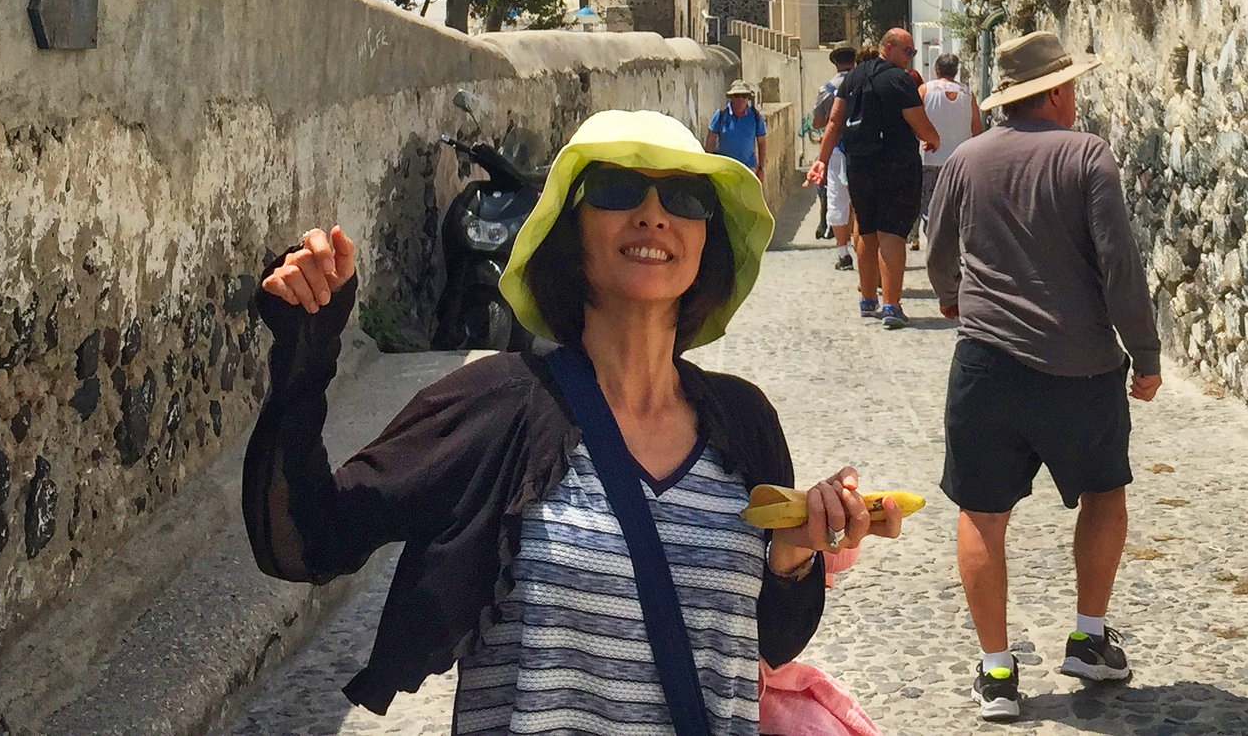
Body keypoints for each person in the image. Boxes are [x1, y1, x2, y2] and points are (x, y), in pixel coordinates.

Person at [246, 109, 904, 730]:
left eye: (684, 198)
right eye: (617, 190)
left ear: (708, 238)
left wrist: (792, 554)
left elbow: (761, 643)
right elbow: (303, 539)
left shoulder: (743, 421)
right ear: (571, 230)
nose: (653, 215)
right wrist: (307, 349)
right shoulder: (495, 407)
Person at [926, 29, 1160, 721]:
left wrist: (952, 293)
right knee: (1104, 491)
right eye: (1072, 85)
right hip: (1081, 368)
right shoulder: (1087, 155)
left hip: (988, 363)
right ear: (1055, 92)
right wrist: (1144, 356)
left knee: (982, 512)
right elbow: (1120, 266)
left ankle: (998, 672)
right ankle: (1089, 635)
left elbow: (938, 251)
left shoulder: (966, 159)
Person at [809, 26, 938, 330]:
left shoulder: (853, 77)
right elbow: (919, 124)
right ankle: (891, 305)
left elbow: (834, 121)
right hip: (896, 166)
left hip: (860, 165)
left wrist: (822, 161)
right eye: (909, 51)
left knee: (866, 229)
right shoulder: (900, 81)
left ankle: (867, 300)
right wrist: (933, 138)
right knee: (892, 233)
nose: (911, 57)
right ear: (889, 47)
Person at [916, 52, 980, 244]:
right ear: (956, 71)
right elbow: (976, 129)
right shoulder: (968, 94)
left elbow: (915, 121)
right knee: (956, 205)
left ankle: (934, 242)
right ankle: (952, 244)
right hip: (959, 161)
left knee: (930, 205)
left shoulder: (924, 90)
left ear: (936, 70)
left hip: (930, 159)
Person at [812, 47, 856, 252]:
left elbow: (818, 122)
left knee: (837, 200)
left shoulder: (827, 89)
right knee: (859, 203)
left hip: (836, 149)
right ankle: (862, 249)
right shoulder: (863, 82)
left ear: (836, 64)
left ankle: (842, 253)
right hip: (860, 147)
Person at [707, 79, 768, 174]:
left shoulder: (755, 117)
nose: (740, 99)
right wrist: (709, 167)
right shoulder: (720, 115)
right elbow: (710, 142)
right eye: (737, 96)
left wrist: (761, 169)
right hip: (725, 169)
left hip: (748, 169)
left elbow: (762, 143)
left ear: (748, 98)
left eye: (744, 96)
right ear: (731, 97)